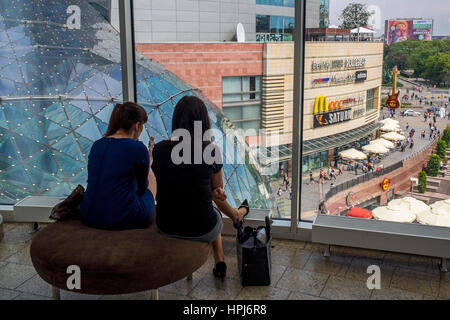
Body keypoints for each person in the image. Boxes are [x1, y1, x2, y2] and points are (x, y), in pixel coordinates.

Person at [151, 96, 248, 279]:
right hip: (201, 228)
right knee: (212, 209)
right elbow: (216, 193)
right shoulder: (211, 151)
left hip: (166, 225)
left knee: (204, 205)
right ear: (203, 122)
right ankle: (221, 254)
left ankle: (236, 217)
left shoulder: (160, 150)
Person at [80, 102, 156, 230]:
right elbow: (143, 188)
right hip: (121, 218)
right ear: (137, 126)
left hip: (88, 213)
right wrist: (148, 162)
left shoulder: (97, 145)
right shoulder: (137, 148)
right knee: (151, 178)